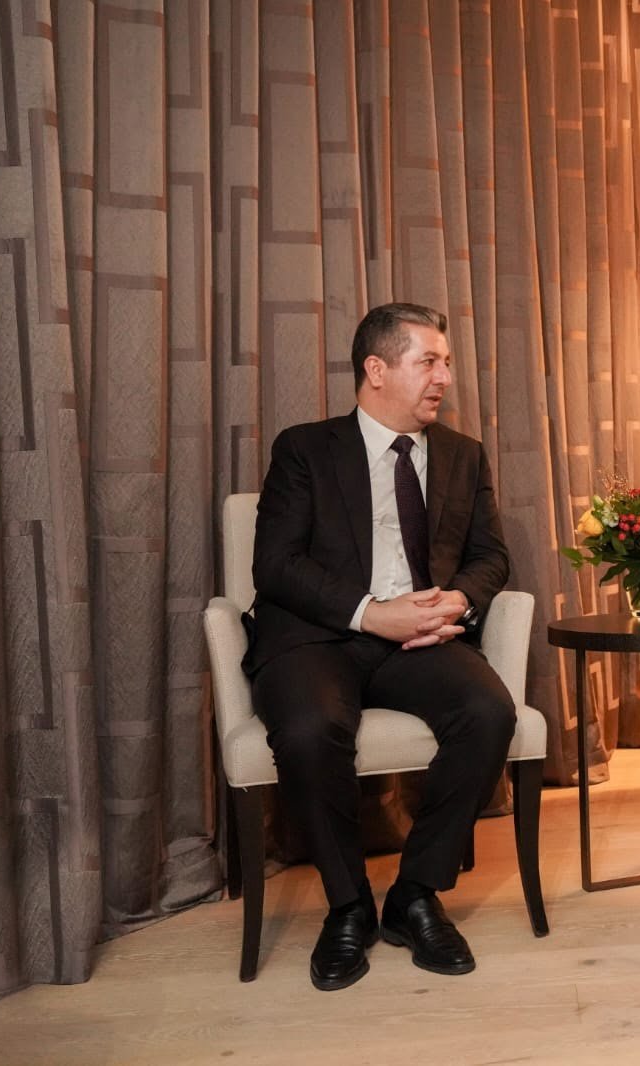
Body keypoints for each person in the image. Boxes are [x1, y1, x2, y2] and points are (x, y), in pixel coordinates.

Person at [243, 302, 515, 991]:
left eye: (446, 362)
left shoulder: (462, 455)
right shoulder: (305, 449)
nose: (445, 377)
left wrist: (457, 600)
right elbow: (276, 565)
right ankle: (348, 906)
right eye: (429, 361)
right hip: (318, 636)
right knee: (310, 729)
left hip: (421, 638)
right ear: (377, 369)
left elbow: (490, 556)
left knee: (488, 712)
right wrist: (372, 614)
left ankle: (415, 895)